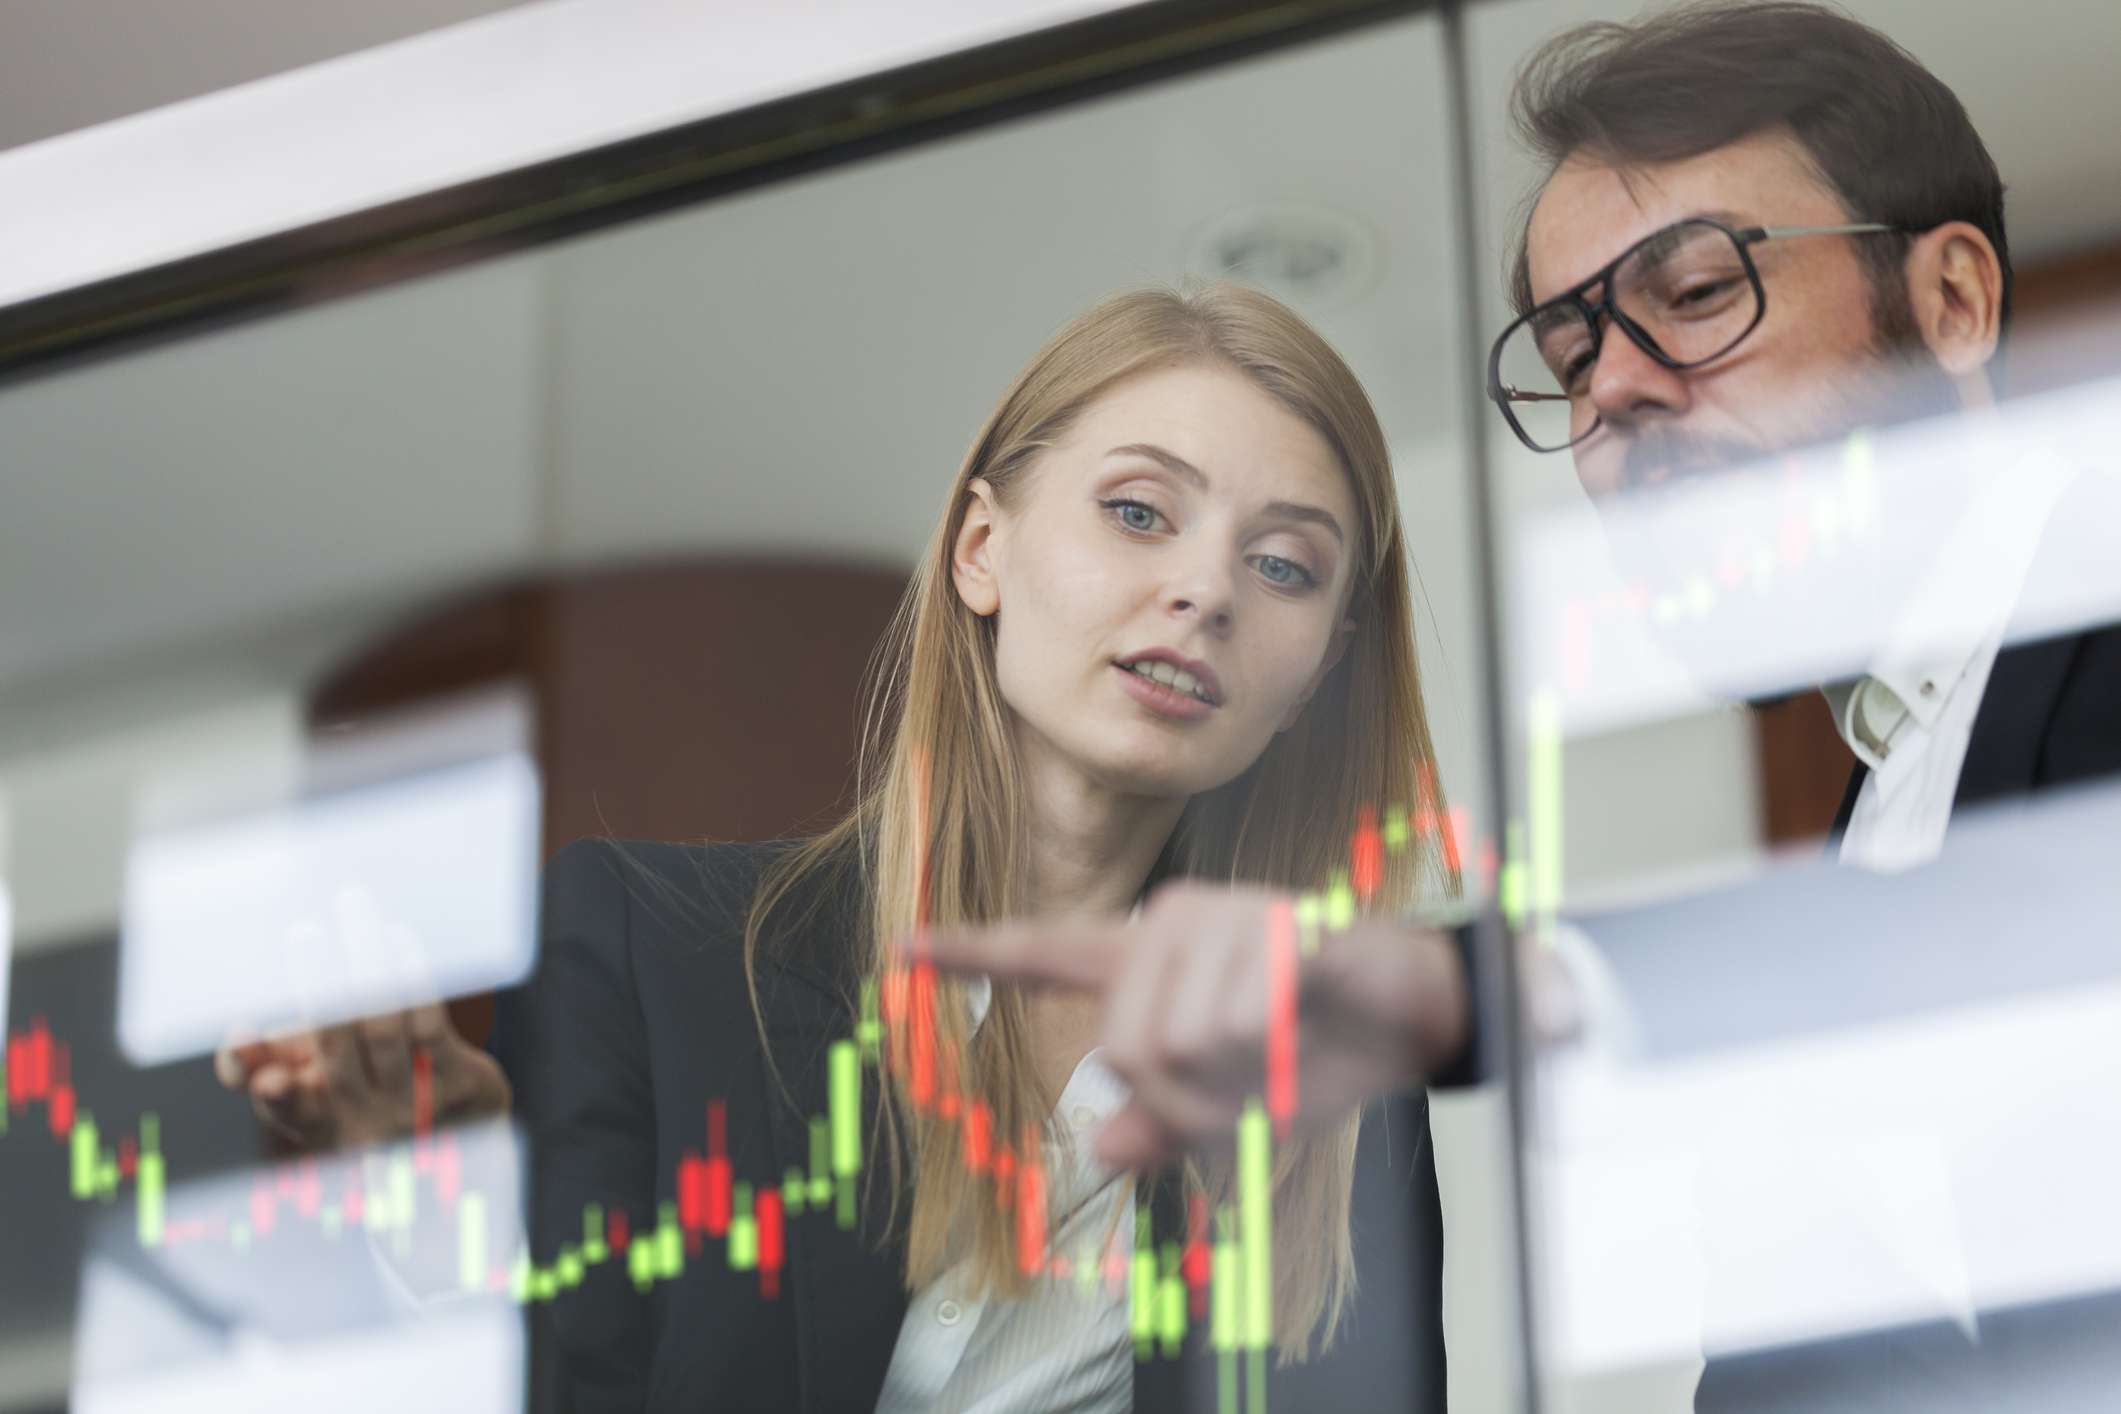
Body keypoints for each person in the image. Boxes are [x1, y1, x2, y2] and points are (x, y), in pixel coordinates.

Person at [929, 3, 2121, 1409]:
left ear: (1954, 303)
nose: (1613, 388)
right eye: (1571, 357)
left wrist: (1482, 992)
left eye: (1693, 293)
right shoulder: (1894, 781)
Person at [220, 281, 1465, 1410]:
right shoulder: (656, 952)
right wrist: (440, 1216)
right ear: (983, 549)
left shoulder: (1336, 1091)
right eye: (1139, 511)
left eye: (1285, 565)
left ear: (1315, 678)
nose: (1208, 591)